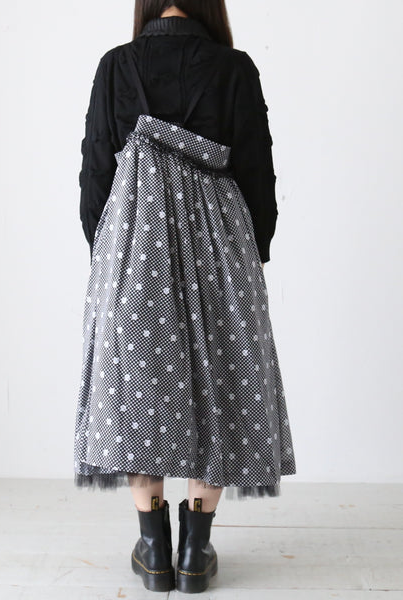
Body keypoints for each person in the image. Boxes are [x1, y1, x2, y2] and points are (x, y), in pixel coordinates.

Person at [74, 0, 297, 593]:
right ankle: (195, 552)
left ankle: (154, 549)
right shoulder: (235, 68)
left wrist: (107, 249)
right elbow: (258, 173)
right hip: (220, 245)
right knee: (224, 383)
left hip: (135, 242)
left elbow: (95, 171)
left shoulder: (117, 66)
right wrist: (251, 254)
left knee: (136, 387)